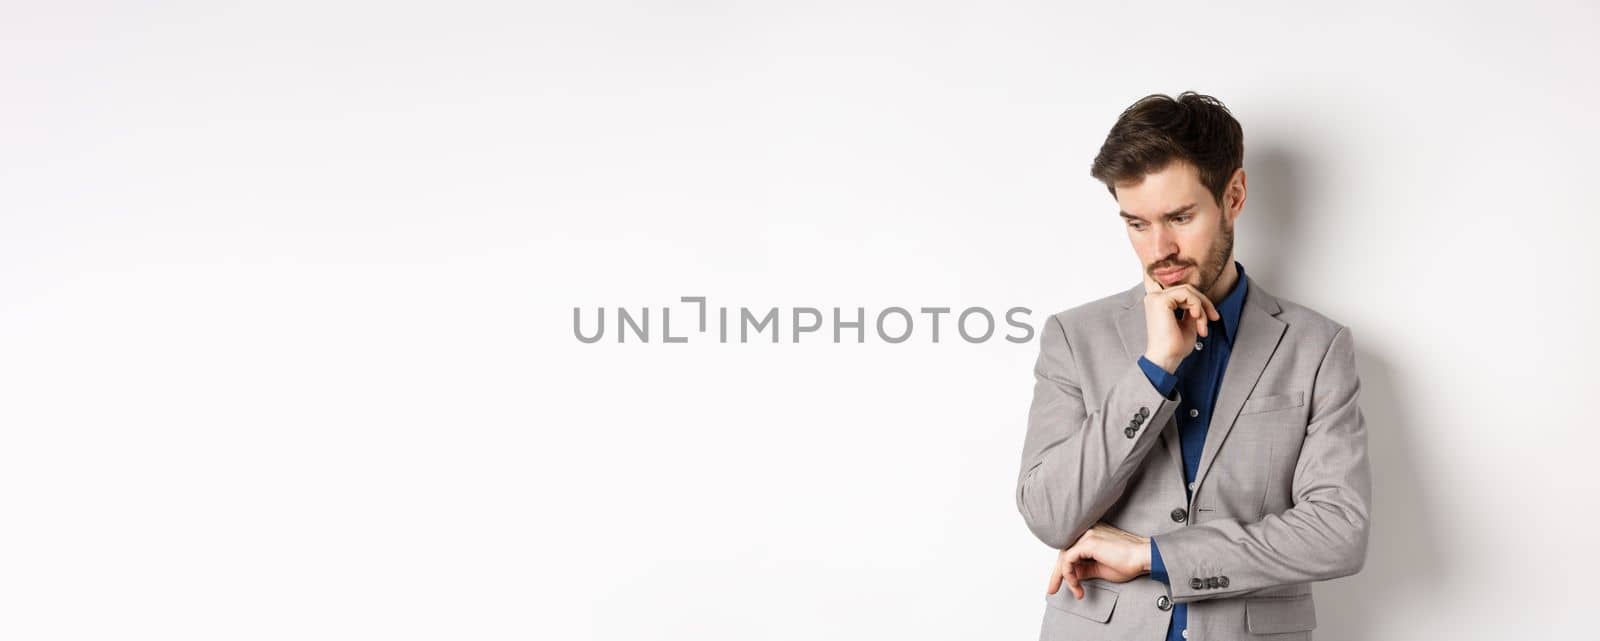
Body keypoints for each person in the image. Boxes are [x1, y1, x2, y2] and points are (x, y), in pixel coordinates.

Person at [1014, 92, 1371, 641]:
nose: (1160, 248)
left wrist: (1154, 555)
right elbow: (1050, 514)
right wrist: (1155, 368)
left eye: (1180, 217)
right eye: (1136, 224)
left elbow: (1337, 531)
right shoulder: (1073, 337)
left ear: (1234, 194)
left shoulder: (1317, 346)